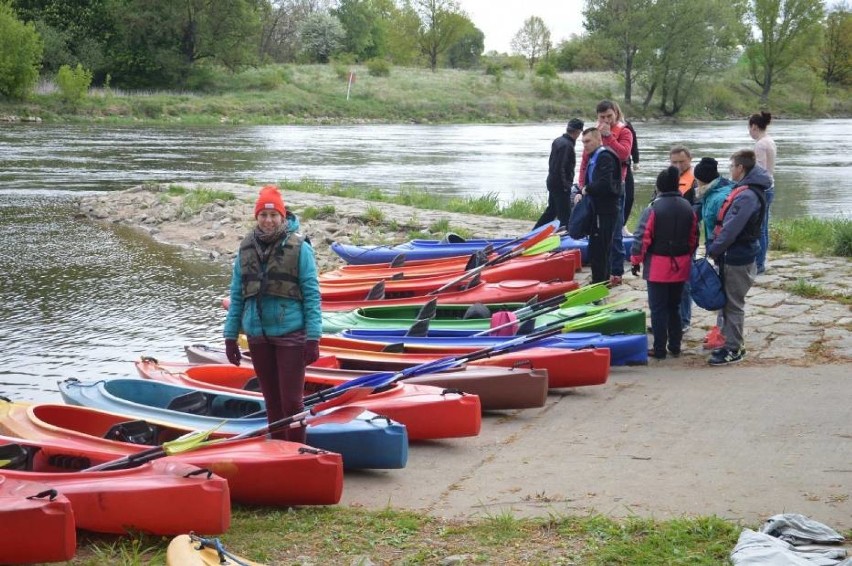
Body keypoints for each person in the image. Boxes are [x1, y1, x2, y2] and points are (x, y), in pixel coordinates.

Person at [223, 185, 322, 442]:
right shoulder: (246, 248)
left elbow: (312, 294)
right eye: (263, 215)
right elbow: (236, 296)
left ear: (282, 216)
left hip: (291, 334)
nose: (268, 221)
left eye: (273, 215)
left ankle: (298, 454)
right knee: (272, 402)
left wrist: (313, 338)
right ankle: (278, 450)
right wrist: (230, 337)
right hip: (258, 336)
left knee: (291, 402)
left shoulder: (300, 247)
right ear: (257, 217)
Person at [705, 150, 771, 365]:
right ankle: (728, 342)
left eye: (732, 166)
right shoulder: (747, 191)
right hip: (737, 253)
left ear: (741, 168)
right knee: (729, 302)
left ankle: (734, 348)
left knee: (733, 304)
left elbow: (731, 228)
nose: (730, 170)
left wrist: (714, 248)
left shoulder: (746, 196)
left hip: (738, 256)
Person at [629, 166, 698, 359]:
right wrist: (687, 257)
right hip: (681, 265)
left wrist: (636, 261)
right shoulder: (688, 208)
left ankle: (659, 349)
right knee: (674, 307)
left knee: (658, 309)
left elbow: (642, 238)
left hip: (658, 267)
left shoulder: (653, 208)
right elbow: (693, 238)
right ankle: (675, 346)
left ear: (659, 187)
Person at [578, 100, 634, 287]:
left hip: (616, 187)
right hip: (594, 190)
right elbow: (585, 162)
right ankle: (601, 271)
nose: (606, 120)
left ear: (616, 114)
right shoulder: (592, 134)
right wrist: (581, 186)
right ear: (597, 117)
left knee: (615, 232)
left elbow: (624, 154)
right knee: (596, 231)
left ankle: (616, 272)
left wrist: (609, 137)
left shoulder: (624, 131)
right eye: (602, 117)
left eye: (609, 116)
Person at [692, 157, 735, 351]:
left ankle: (724, 335)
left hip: (723, 250)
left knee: (724, 293)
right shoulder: (712, 192)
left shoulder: (718, 197)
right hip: (717, 248)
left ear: (702, 180)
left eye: (697, 180)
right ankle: (720, 328)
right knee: (722, 290)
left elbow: (724, 229)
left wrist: (715, 249)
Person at [575, 127, 623, 284]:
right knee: (599, 246)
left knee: (599, 248)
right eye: (583, 142)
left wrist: (586, 189)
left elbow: (605, 184)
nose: (585, 145)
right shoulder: (595, 155)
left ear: (598, 139)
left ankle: (598, 282)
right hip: (599, 208)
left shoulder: (605, 156)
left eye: (588, 141)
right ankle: (602, 279)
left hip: (605, 210)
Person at [534, 118, 584, 229]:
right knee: (565, 216)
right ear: (578, 132)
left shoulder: (558, 140)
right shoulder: (567, 145)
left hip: (552, 181)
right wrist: (566, 185)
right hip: (560, 185)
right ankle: (566, 237)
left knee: (552, 211)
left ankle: (534, 232)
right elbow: (561, 167)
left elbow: (554, 165)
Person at [668, 145, 697, 333]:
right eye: (674, 162)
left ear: (690, 160)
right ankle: (671, 319)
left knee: (685, 282)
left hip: (687, 238)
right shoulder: (668, 178)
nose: (678, 165)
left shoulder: (695, 182)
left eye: (681, 162)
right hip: (667, 238)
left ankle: (685, 320)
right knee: (668, 281)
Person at [748, 111, 776, 274]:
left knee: (759, 228)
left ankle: (759, 264)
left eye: (749, 128)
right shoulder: (770, 140)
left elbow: (759, 170)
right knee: (764, 226)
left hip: (762, 189)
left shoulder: (760, 144)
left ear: (754, 126)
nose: (749, 132)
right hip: (770, 185)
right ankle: (761, 261)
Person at [622, 120, 640, 231]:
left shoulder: (626, 125)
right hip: (608, 167)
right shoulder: (599, 128)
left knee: (629, 197)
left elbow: (634, 143)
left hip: (625, 165)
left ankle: (622, 225)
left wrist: (636, 160)